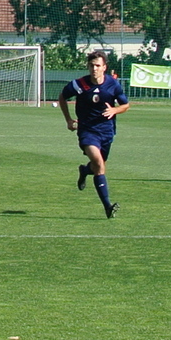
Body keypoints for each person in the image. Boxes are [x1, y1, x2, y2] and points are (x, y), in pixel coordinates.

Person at [57, 49, 128, 219]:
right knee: (99, 164)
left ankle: (84, 170)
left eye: (97, 65)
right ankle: (107, 206)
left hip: (107, 131)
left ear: (104, 67)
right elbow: (62, 97)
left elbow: (125, 105)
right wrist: (68, 120)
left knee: (98, 166)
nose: (94, 69)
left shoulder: (112, 84)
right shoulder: (79, 84)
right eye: (91, 65)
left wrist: (115, 110)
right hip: (87, 131)